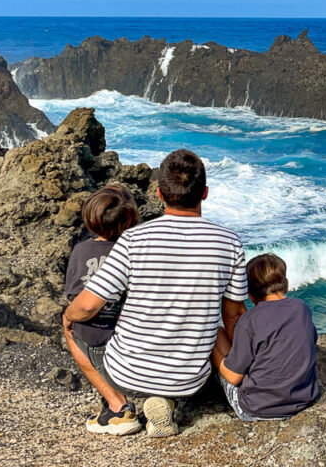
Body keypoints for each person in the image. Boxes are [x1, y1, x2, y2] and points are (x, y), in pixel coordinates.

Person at [64, 149, 248, 437]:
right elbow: (234, 315)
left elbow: (87, 307)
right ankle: (166, 398)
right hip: (190, 380)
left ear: (160, 194)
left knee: (74, 326)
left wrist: (68, 317)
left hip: (126, 374)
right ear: (205, 193)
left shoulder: (134, 239)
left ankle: (117, 407)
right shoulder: (230, 243)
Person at [62, 183, 141, 435]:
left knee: (70, 330)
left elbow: (74, 297)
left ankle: (117, 406)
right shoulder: (138, 250)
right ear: (131, 219)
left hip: (97, 337)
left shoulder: (82, 251)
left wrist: (68, 318)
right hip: (134, 336)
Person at [212, 253, 321, 421]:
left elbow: (234, 378)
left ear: (249, 294)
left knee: (217, 333)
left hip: (256, 409)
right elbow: (312, 340)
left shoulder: (249, 321)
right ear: (285, 284)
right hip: (304, 399)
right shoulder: (302, 308)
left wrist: (218, 359)